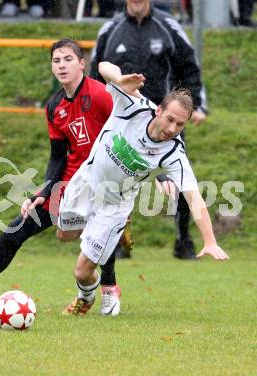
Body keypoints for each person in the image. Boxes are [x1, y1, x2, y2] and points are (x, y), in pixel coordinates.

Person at [0, 39, 122, 316]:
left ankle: (108, 287)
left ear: (82, 64)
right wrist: (43, 193)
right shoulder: (54, 106)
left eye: (68, 59)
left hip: (105, 183)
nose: (61, 65)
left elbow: (128, 131)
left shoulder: (100, 95)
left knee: (100, 231)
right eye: (56, 60)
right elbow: (58, 156)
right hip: (68, 185)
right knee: (14, 231)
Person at [57, 61, 229, 315]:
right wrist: (120, 79)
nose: (172, 129)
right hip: (86, 182)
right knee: (64, 236)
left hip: (114, 205)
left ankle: (86, 296)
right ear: (158, 110)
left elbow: (193, 197)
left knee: (81, 272)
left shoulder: (173, 152)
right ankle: (111, 233)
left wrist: (210, 240)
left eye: (180, 125)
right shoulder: (133, 106)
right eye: (170, 119)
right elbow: (103, 65)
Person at [90, 0, 208, 260]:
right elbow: (95, 75)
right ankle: (118, 239)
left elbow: (189, 66)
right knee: (117, 181)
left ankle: (183, 239)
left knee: (178, 178)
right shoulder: (110, 29)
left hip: (165, 119)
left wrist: (196, 104)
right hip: (124, 122)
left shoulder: (168, 26)